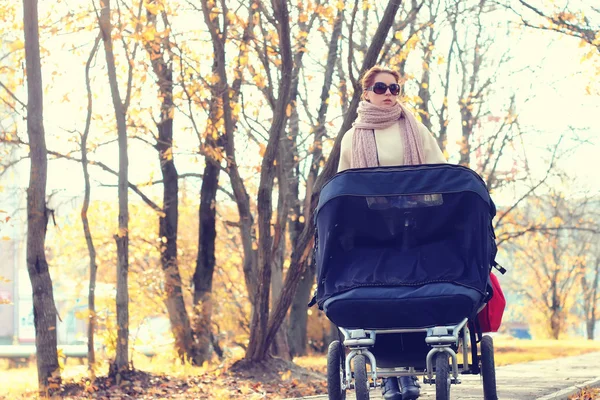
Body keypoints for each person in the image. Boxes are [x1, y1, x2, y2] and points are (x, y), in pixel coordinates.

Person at [337, 65, 447, 400]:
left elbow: (439, 172)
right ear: (366, 92)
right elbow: (346, 188)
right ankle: (387, 376)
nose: (388, 95)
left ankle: (413, 371)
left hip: (416, 226)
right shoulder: (353, 138)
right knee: (380, 293)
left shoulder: (415, 130)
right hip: (373, 231)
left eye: (394, 89)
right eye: (381, 88)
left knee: (412, 290)